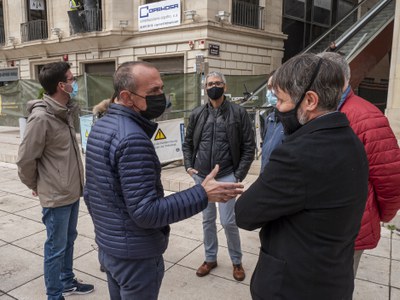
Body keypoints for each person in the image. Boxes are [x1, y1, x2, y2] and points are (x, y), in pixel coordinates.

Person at [84, 61, 244, 300]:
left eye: (161, 87)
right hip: (135, 256)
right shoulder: (132, 139)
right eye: (153, 92)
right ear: (127, 97)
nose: (162, 96)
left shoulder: (102, 125)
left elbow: (92, 193)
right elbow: (146, 212)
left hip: (112, 247)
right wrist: (201, 193)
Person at [235, 53, 369, 299]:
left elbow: (245, 214)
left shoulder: (298, 154)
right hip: (334, 281)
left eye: (282, 100)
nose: (277, 107)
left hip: (293, 286)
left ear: (310, 100)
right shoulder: (351, 140)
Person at [317, 51, 400, 275]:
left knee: (338, 286)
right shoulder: (313, 109)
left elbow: (390, 180)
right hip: (317, 224)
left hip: (349, 226)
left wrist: (375, 215)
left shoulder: (368, 118)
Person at [16, 62, 94, 300]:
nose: (75, 82)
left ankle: (67, 281)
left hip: (71, 191)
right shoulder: (41, 118)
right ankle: (54, 294)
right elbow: (25, 160)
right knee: (55, 248)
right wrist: (35, 186)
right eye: (72, 79)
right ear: (61, 85)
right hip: (56, 195)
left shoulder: (65, 111)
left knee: (69, 240)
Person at [182, 71, 256, 281]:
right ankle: (210, 258)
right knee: (207, 219)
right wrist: (189, 166)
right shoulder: (197, 114)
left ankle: (236, 261)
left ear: (225, 86)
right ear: (205, 89)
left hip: (226, 176)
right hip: (202, 177)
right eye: (209, 83)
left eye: (217, 83)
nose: (213, 86)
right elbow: (187, 143)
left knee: (228, 221)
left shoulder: (238, 113)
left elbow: (249, 147)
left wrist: (237, 175)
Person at [260, 73, 284, 172]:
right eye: (269, 87)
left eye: (274, 86)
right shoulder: (269, 119)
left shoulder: (295, 120)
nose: (271, 92)